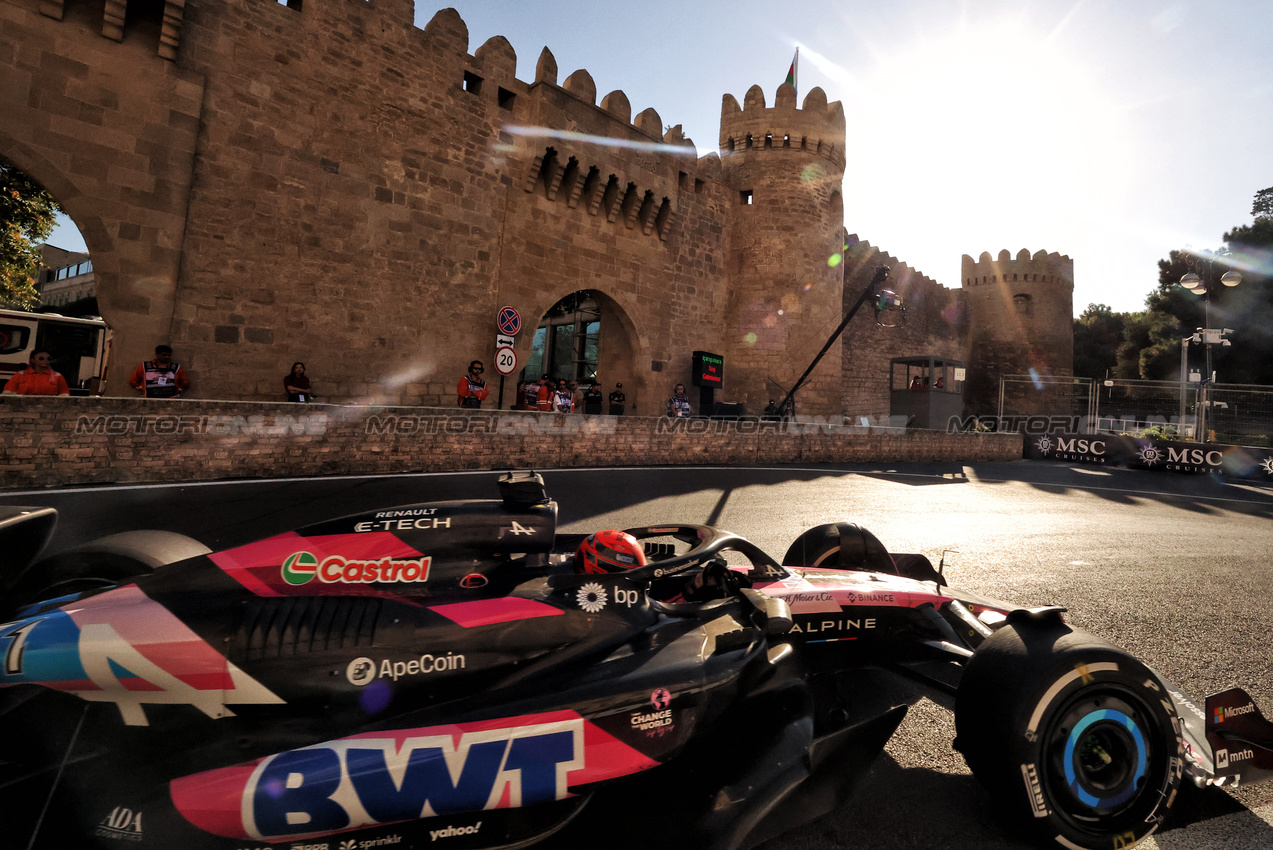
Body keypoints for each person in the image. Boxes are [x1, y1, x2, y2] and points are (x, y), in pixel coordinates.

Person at [2, 350, 70, 395]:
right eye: (41, 358)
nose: (45, 360)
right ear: (33, 360)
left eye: (48, 359)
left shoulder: (57, 376)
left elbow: (64, 395)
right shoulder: (20, 375)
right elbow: (8, 393)